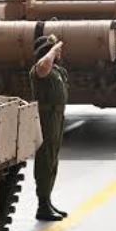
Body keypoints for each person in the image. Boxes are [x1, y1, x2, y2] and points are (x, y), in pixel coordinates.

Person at [30, 35, 70, 221]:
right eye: (55, 50)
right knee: (45, 159)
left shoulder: (56, 70)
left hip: (56, 117)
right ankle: (42, 205)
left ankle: (47, 201)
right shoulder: (40, 69)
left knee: (53, 159)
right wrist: (53, 49)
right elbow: (43, 66)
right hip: (45, 117)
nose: (59, 52)